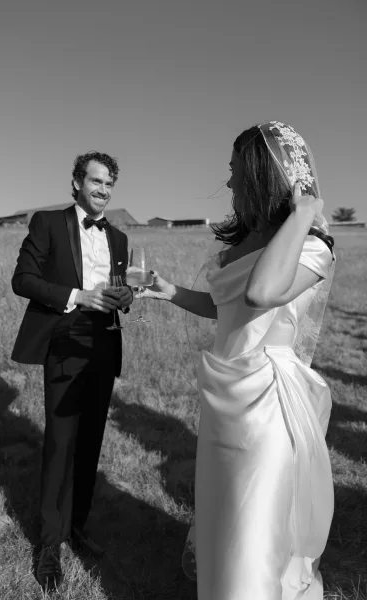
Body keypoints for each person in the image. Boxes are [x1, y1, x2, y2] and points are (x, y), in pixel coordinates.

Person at [139, 122, 335, 599]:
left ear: (260, 176)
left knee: (255, 525)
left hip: (266, 401)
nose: (228, 184)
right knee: (224, 515)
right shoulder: (243, 243)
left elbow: (262, 292)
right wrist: (171, 293)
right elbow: (224, 307)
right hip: (223, 395)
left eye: (234, 172)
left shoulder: (312, 246)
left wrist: (304, 212)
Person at [11, 151, 133, 592]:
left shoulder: (118, 238)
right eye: (96, 181)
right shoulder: (47, 223)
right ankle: (48, 545)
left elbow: (120, 288)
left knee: (90, 443)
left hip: (104, 344)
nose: (103, 190)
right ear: (78, 182)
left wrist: (126, 298)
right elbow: (22, 279)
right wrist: (78, 296)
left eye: (109, 184)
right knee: (60, 445)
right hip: (64, 342)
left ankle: (76, 528)